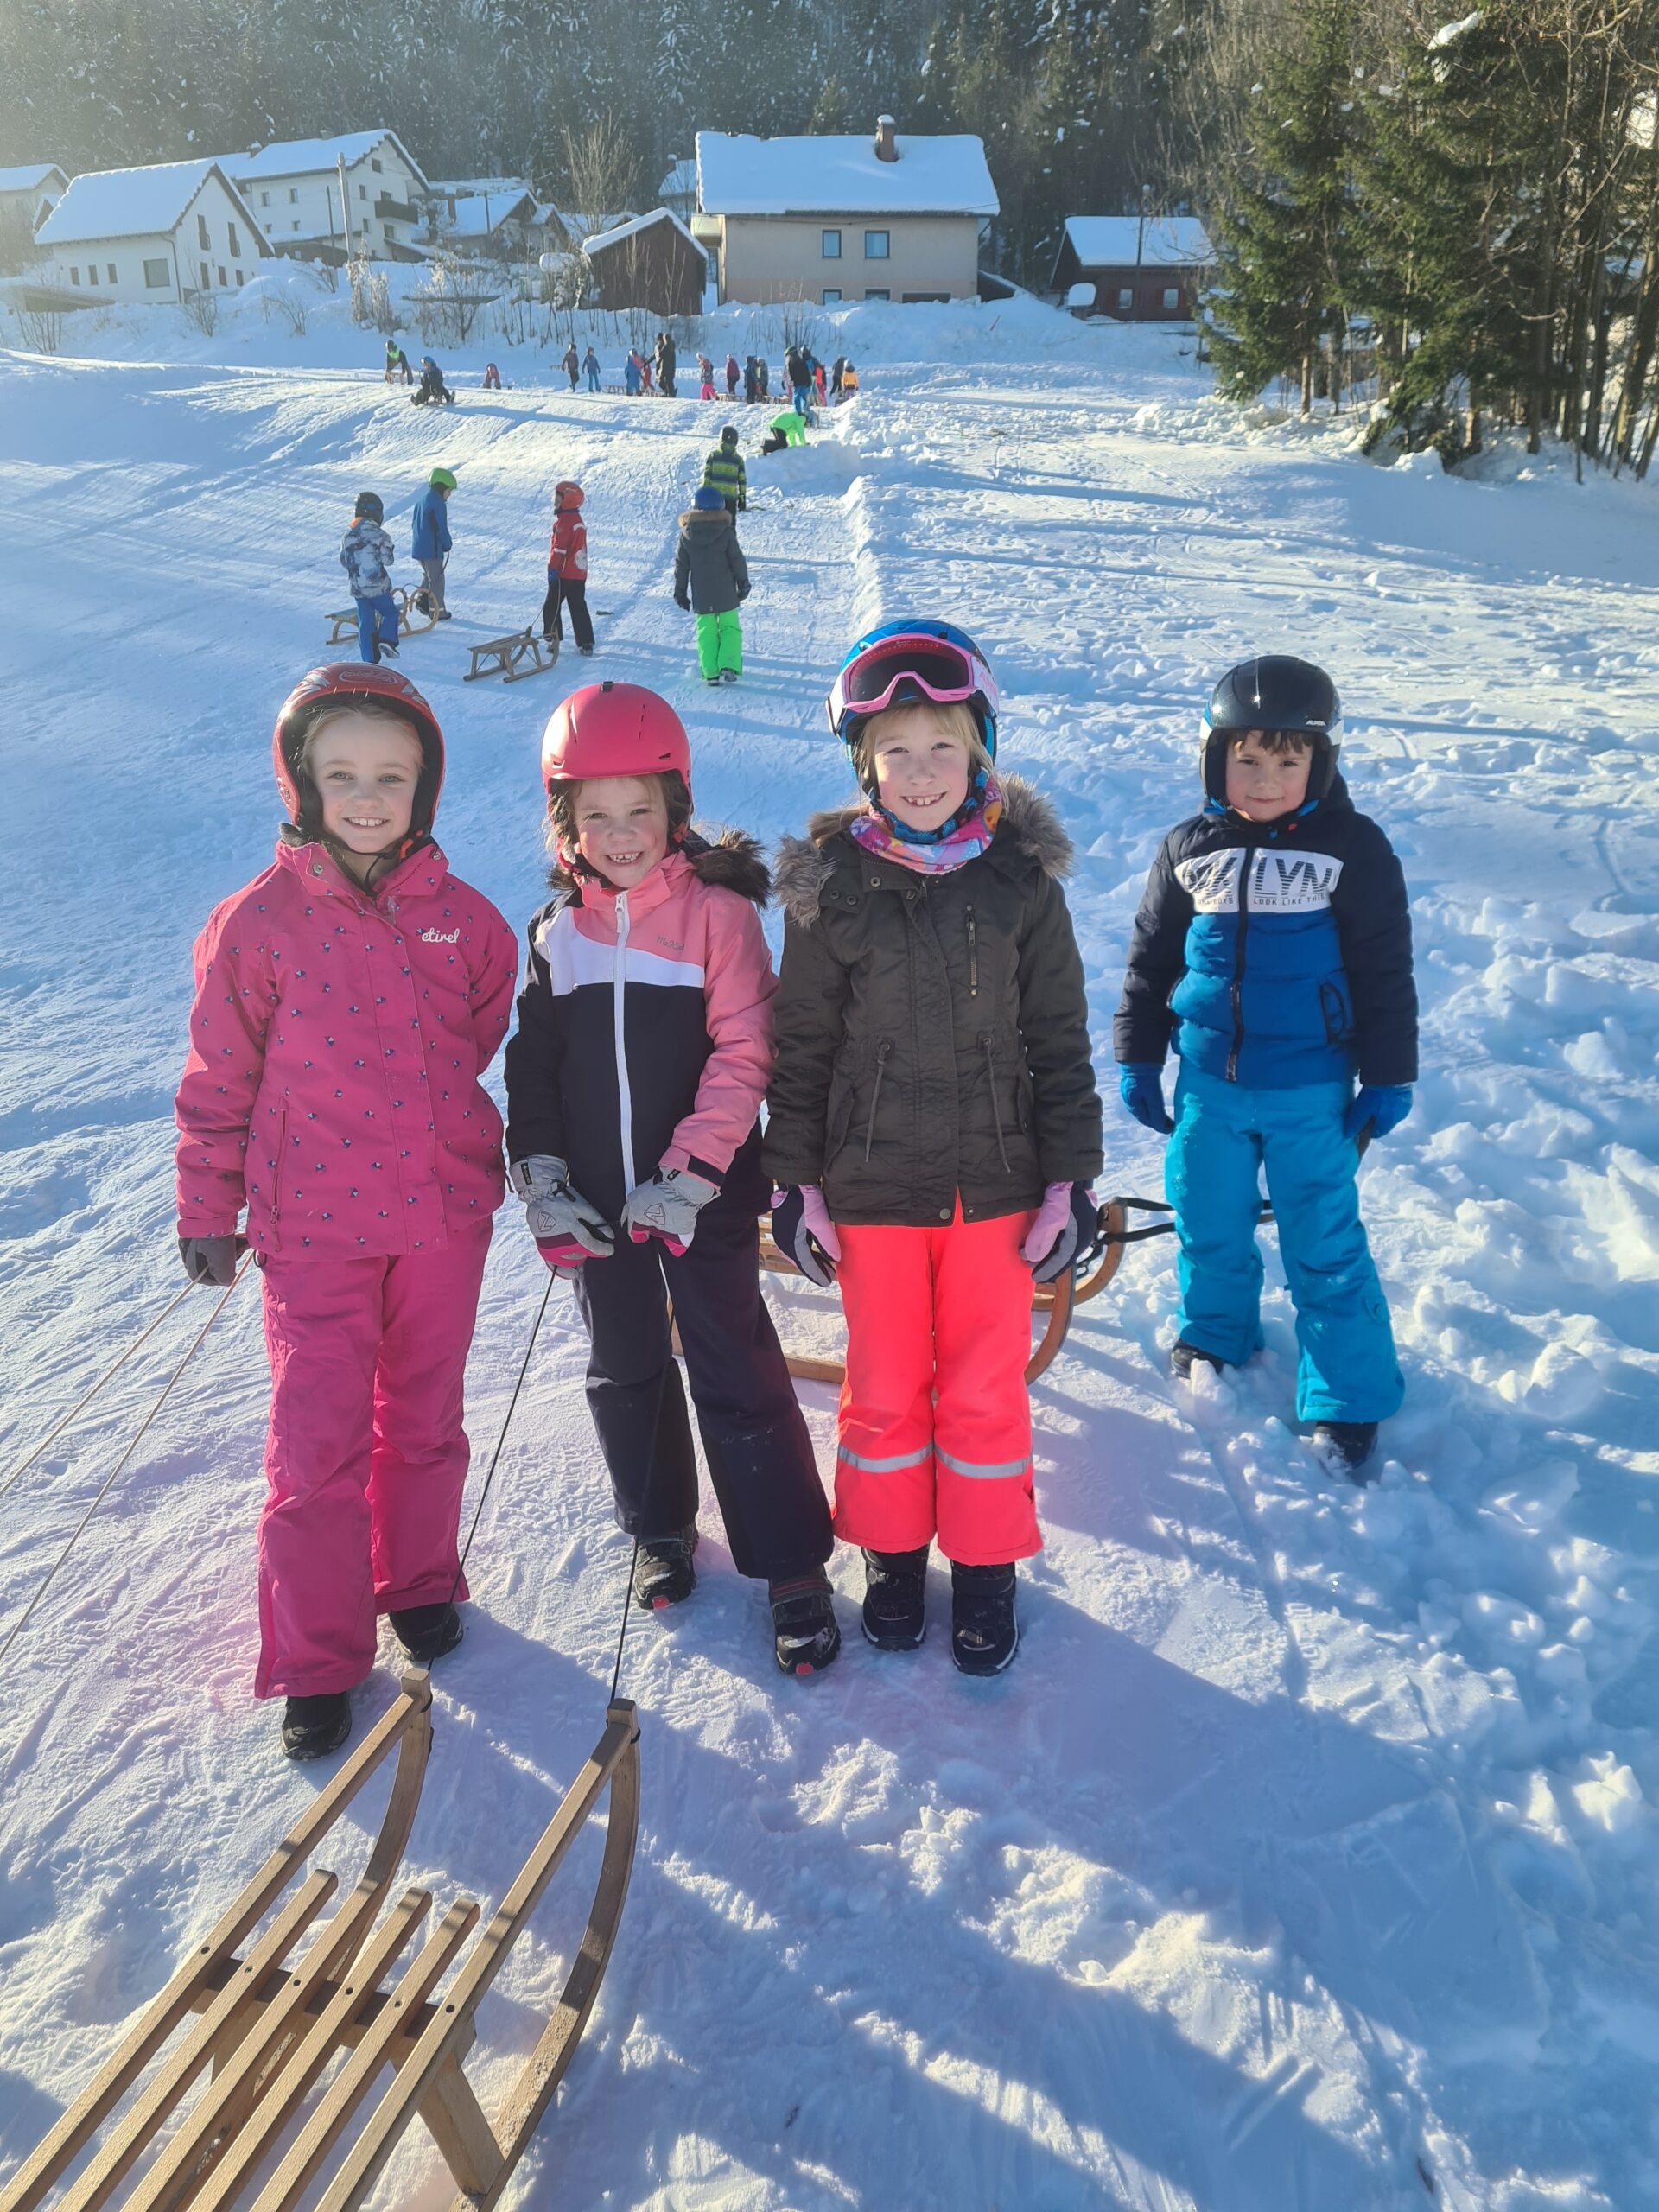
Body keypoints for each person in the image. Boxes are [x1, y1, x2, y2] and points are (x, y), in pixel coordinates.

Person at [175, 664, 518, 1758]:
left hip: (441, 1218)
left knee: (424, 1415)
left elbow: (478, 1032)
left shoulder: (465, 920)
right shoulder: (257, 925)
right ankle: (319, 1655)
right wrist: (208, 1204)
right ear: (301, 783)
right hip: (315, 1229)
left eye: (391, 777)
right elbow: (220, 1075)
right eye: (342, 775)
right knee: (315, 1440)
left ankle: (415, 1578)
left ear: (425, 786)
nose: (367, 798)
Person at [765, 622, 1102, 1675]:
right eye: (896, 752)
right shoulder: (832, 886)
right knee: (885, 1384)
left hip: (996, 1187)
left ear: (979, 753)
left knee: (986, 1384)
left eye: (942, 748)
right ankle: (894, 1554)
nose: (920, 773)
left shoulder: (1020, 883)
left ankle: (987, 1564)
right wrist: (794, 1183)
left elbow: (1059, 1037)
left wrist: (1071, 1179)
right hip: (872, 1187)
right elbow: (802, 1045)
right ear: (863, 764)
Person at [503, 684, 838, 1675]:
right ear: (565, 822)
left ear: (676, 809)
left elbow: (745, 1052)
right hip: (596, 1206)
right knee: (624, 1363)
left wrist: (690, 1173)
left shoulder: (715, 918)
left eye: (639, 810)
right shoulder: (555, 932)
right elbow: (533, 1062)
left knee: (733, 1365)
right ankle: (659, 1525)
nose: (620, 834)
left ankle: (790, 1562)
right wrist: (545, 1173)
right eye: (595, 814)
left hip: (704, 1199)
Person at [1114, 656, 1415, 1480]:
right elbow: (1150, 962)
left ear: (1321, 762)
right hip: (1207, 1084)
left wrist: (1390, 1074)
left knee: (1323, 1240)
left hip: (1310, 1090)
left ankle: (1347, 1395)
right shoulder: (1189, 849)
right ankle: (1217, 1331)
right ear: (1215, 758)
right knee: (1207, 1216)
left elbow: (1385, 970)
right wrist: (1139, 1056)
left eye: (1288, 760)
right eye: (1247, 758)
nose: (1267, 779)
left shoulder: (1353, 848)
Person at [673, 486, 748, 685]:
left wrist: (680, 592)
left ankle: (711, 673)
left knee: (706, 632)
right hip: (725, 592)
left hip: (702, 594)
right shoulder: (726, 532)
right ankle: (728, 663)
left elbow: (681, 566)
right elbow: (737, 560)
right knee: (730, 627)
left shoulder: (686, 535)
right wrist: (743, 583)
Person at [338, 492, 399, 665]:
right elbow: (388, 561)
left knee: (366, 621)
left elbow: (344, 561)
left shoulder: (348, 536)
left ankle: (369, 659)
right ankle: (387, 640)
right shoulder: (381, 535)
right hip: (378, 586)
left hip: (358, 588)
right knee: (389, 612)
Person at [543, 480, 595, 654]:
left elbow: (559, 549)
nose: (555, 504)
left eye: (558, 500)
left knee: (551, 606)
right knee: (578, 604)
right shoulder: (577, 519)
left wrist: (552, 570)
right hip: (579, 573)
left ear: (568, 501)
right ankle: (586, 642)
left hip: (563, 573)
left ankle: (553, 639)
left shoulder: (564, 522)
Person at [410, 466, 455, 620]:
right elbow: (441, 527)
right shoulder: (438, 504)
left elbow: (414, 524)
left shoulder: (421, 501)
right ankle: (438, 612)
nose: (450, 494)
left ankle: (422, 602)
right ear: (441, 487)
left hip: (419, 548)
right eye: (449, 490)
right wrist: (447, 543)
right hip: (432, 549)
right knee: (436, 580)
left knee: (428, 576)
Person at [702, 424, 747, 518]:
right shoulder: (738, 460)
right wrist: (742, 497)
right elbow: (742, 480)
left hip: (714, 498)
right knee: (729, 524)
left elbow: (707, 476)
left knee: (714, 524)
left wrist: (704, 494)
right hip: (731, 499)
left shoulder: (713, 456)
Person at [654, 330, 677, 397]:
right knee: (669, 381)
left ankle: (670, 393)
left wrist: (658, 350)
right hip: (671, 367)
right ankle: (670, 392)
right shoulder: (672, 346)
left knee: (666, 381)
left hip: (667, 367)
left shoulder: (667, 346)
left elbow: (661, 354)